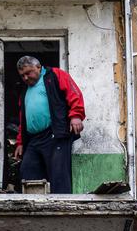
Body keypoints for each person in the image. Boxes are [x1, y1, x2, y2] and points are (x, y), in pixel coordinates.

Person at [10, 56, 85, 194]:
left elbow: (73, 93)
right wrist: (20, 142)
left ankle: (62, 209)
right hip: (33, 139)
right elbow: (23, 118)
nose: (26, 78)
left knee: (58, 174)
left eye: (28, 73)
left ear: (38, 67)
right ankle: (33, 208)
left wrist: (76, 115)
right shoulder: (25, 90)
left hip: (54, 134)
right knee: (28, 170)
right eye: (22, 76)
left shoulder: (55, 74)